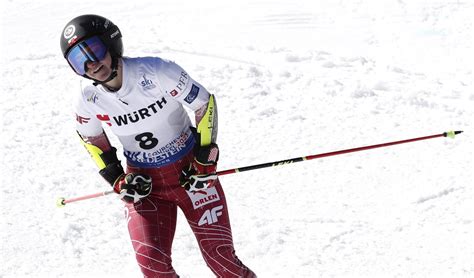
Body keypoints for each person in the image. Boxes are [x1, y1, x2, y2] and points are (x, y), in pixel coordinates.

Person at [60, 14, 256, 278]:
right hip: (144, 185)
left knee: (221, 259)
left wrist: (204, 160)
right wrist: (118, 179)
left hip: (190, 174)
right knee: (152, 265)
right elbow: (92, 140)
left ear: (111, 43)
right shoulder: (87, 98)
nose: (91, 64)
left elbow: (203, 104)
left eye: (94, 50)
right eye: (78, 60)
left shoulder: (155, 71)